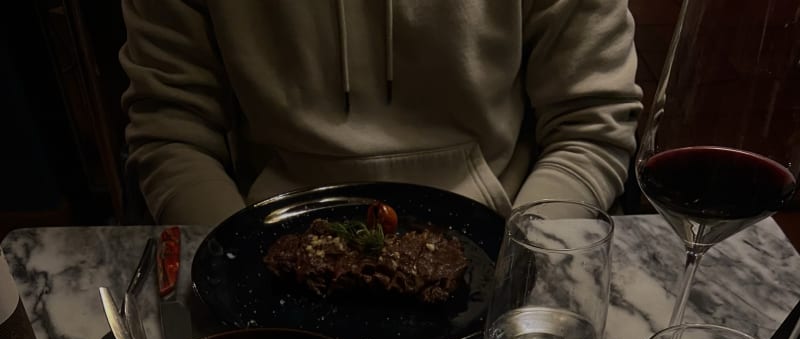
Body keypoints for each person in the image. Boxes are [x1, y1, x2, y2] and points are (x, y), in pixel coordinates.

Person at [119, 0, 642, 227]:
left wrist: (526, 264)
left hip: (502, 241)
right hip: (265, 251)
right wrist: (234, 270)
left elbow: (590, 124)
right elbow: (171, 130)